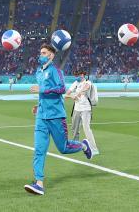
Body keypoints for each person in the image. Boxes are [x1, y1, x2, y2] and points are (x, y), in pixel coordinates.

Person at [24, 45, 90, 196]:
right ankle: (39, 183)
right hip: (41, 117)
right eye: (40, 52)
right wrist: (39, 105)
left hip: (56, 115)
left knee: (63, 148)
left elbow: (61, 89)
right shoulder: (39, 72)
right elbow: (44, 94)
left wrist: (42, 90)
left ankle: (83, 145)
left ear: (51, 55)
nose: (41, 55)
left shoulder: (56, 71)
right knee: (39, 149)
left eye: (44, 53)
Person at [67, 71, 100, 155]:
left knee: (86, 128)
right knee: (74, 128)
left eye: (78, 75)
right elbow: (67, 94)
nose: (76, 77)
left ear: (82, 75)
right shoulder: (75, 83)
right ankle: (75, 145)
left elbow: (85, 89)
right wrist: (71, 96)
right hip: (76, 109)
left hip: (86, 108)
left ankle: (94, 149)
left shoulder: (88, 82)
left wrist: (77, 94)